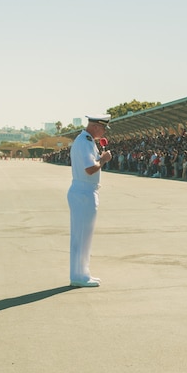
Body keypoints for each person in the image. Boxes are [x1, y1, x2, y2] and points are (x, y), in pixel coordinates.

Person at [67, 114, 113, 287]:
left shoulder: (84, 140)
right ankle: (79, 276)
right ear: (95, 126)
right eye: (103, 128)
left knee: (83, 236)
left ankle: (82, 273)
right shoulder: (85, 141)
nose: (103, 132)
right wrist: (103, 159)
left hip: (83, 191)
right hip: (84, 192)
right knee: (81, 236)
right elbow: (90, 169)